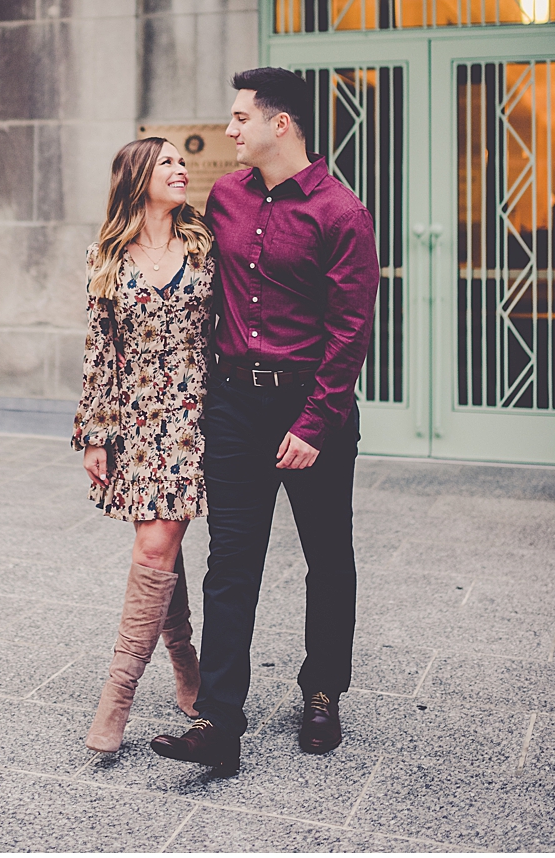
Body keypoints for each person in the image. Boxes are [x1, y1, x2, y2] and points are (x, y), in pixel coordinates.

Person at [151, 69, 379, 777]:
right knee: (231, 564)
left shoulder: (341, 212)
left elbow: (351, 330)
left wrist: (313, 424)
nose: (231, 131)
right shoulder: (225, 197)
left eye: (242, 118)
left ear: (282, 124)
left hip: (314, 409)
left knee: (327, 558)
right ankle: (219, 722)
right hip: (235, 409)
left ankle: (321, 691)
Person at [72, 136, 214, 756]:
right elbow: (99, 351)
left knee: (155, 542)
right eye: (167, 164)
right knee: (162, 548)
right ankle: (187, 666)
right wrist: (96, 434)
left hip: (196, 418)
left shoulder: (206, 246)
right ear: (138, 177)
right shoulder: (107, 256)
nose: (181, 169)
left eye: (184, 162)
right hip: (135, 421)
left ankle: (116, 698)